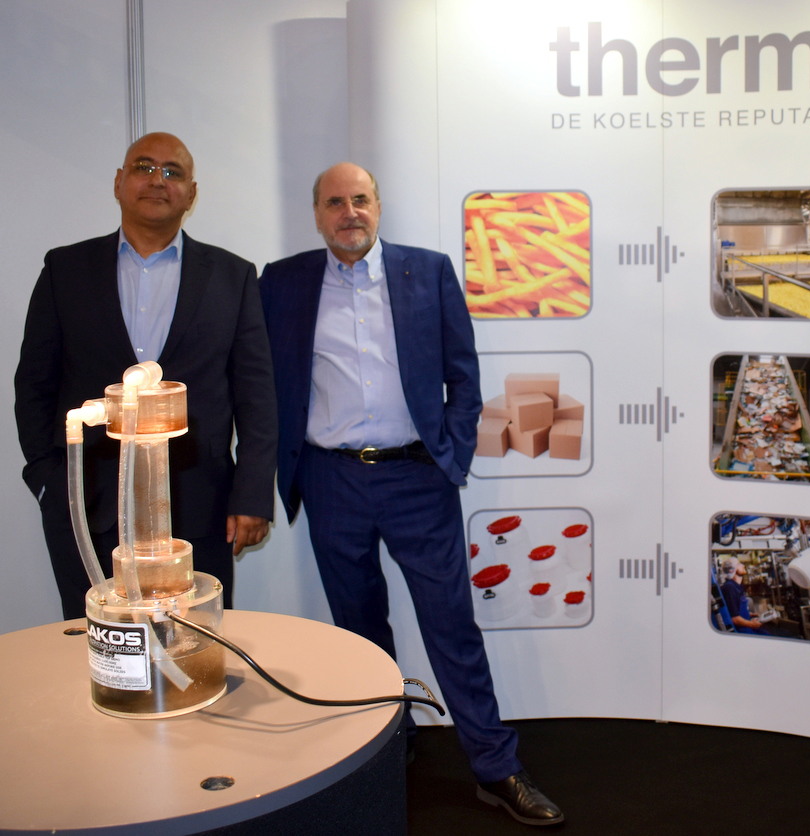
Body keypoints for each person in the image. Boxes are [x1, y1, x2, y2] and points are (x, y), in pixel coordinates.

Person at [259, 162, 563, 827]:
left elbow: (463, 375)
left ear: (378, 205)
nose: (349, 213)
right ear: (317, 214)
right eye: (334, 202)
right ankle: (385, 747)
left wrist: (451, 458)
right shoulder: (282, 283)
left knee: (451, 625)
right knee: (359, 629)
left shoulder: (427, 271)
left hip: (418, 479)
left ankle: (496, 766)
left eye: (359, 200)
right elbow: (263, 380)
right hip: (332, 478)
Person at [14, 132, 276, 620]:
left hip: (200, 503)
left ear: (191, 194)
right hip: (86, 500)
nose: (158, 180)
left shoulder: (232, 276)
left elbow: (256, 395)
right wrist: (48, 480)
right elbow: (34, 383)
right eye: (144, 167)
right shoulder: (65, 269)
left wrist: (253, 493)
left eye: (173, 172)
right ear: (119, 182)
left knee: (194, 641)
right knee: (99, 637)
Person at [720, 558, 766, 634]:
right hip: (742, 631)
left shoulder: (736, 586)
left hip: (746, 625)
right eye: (739, 564)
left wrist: (750, 614)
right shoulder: (730, 587)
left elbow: (736, 609)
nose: (743, 565)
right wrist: (752, 624)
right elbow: (734, 619)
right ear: (731, 570)